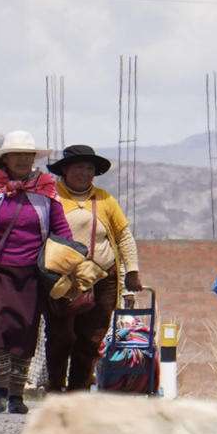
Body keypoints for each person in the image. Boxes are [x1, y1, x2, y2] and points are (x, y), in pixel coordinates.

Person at [0, 131, 72, 415]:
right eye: (16, 155)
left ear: (33, 159)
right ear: (5, 158)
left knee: (25, 333)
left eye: (27, 155)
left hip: (32, 275)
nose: (22, 160)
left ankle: (17, 395)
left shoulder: (45, 189)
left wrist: (70, 258)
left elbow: (60, 228)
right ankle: (0, 390)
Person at [41, 143, 143, 394]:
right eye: (78, 167)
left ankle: (79, 389)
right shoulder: (51, 196)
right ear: (64, 170)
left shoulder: (105, 199)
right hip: (63, 278)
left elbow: (123, 236)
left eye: (89, 168)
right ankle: (55, 387)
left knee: (91, 337)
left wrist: (132, 270)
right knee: (61, 335)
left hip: (102, 276)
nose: (84, 173)